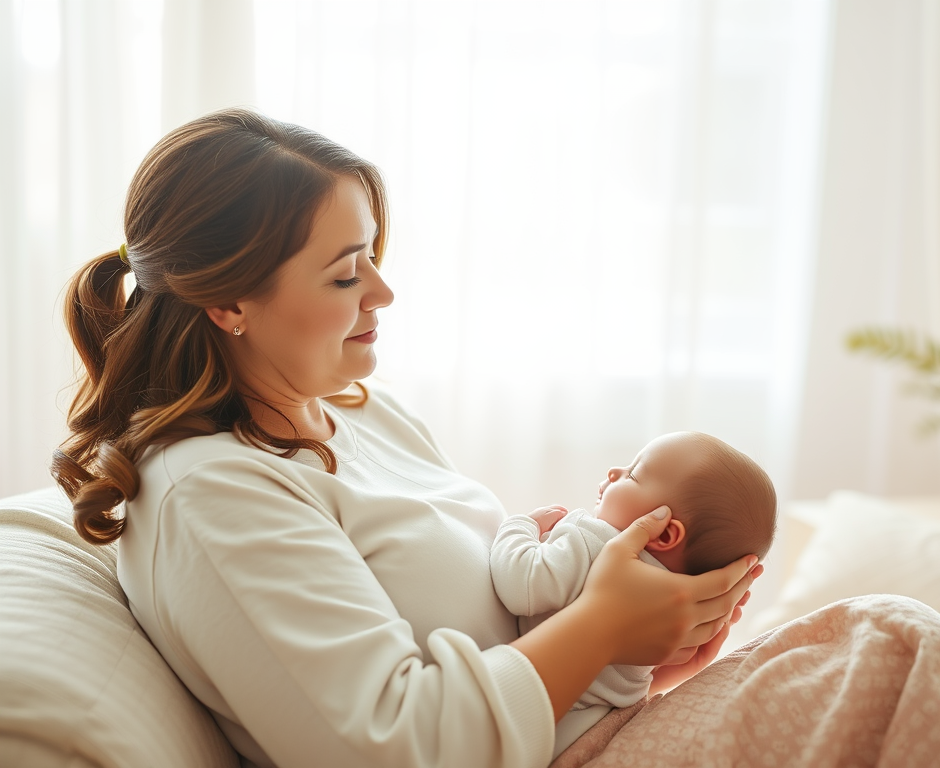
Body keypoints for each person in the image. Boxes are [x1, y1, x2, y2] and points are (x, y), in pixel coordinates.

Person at [50, 109, 761, 768]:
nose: (382, 292)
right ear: (229, 302)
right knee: (872, 648)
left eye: (371, 257)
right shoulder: (213, 493)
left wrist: (650, 653)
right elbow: (397, 745)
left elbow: (515, 646)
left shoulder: (364, 413)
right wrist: (605, 625)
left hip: (594, 731)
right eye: (342, 275)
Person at [490, 432, 777, 757]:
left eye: (634, 474)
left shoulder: (593, 540)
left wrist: (518, 526)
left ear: (665, 532)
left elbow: (521, 584)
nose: (615, 471)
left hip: (523, 732)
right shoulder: (670, 616)